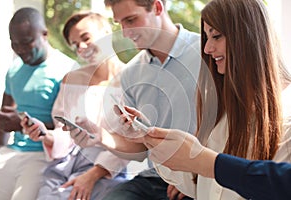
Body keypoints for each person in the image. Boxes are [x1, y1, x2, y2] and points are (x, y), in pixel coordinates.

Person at [124, 0, 291, 199]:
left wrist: (201, 160)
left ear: (248, 37)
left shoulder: (285, 116)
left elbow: (272, 186)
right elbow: (200, 184)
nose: (207, 49)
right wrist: (151, 138)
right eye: (206, 37)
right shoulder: (224, 112)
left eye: (216, 36)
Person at [69, 0, 201, 199]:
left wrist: (194, 172)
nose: (124, 32)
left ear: (157, 7)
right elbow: (140, 148)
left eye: (131, 20)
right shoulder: (131, 74)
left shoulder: (207, 53)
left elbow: (228, 125)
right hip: (155, 177)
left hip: (202, 172)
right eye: (119, 23)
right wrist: (100, 136)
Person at [20, 11, 129, 200]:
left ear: (107, 30)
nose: (82, 48)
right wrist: (46, 135)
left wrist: (92, 175)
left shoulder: (133, 79)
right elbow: (64, 130)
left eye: (86, 38)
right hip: (64, 166)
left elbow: (133, 142)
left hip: (109, 169)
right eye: (76, 45)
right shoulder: (72, 80)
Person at [0, 7, 78, 200]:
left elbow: (69, 128)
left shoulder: (67, 69)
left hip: (43, 155)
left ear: (44, 34)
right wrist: (0, 150)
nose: (20, 49)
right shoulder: (13, 70)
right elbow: (6, 114)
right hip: (12, 151)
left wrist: (21, 125)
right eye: (15, 44)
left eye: (27, 42)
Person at [141, 127, 291, 200]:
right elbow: (199, 188)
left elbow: (279, 184)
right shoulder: (219, 117)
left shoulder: (284, 127)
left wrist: (204, 162)